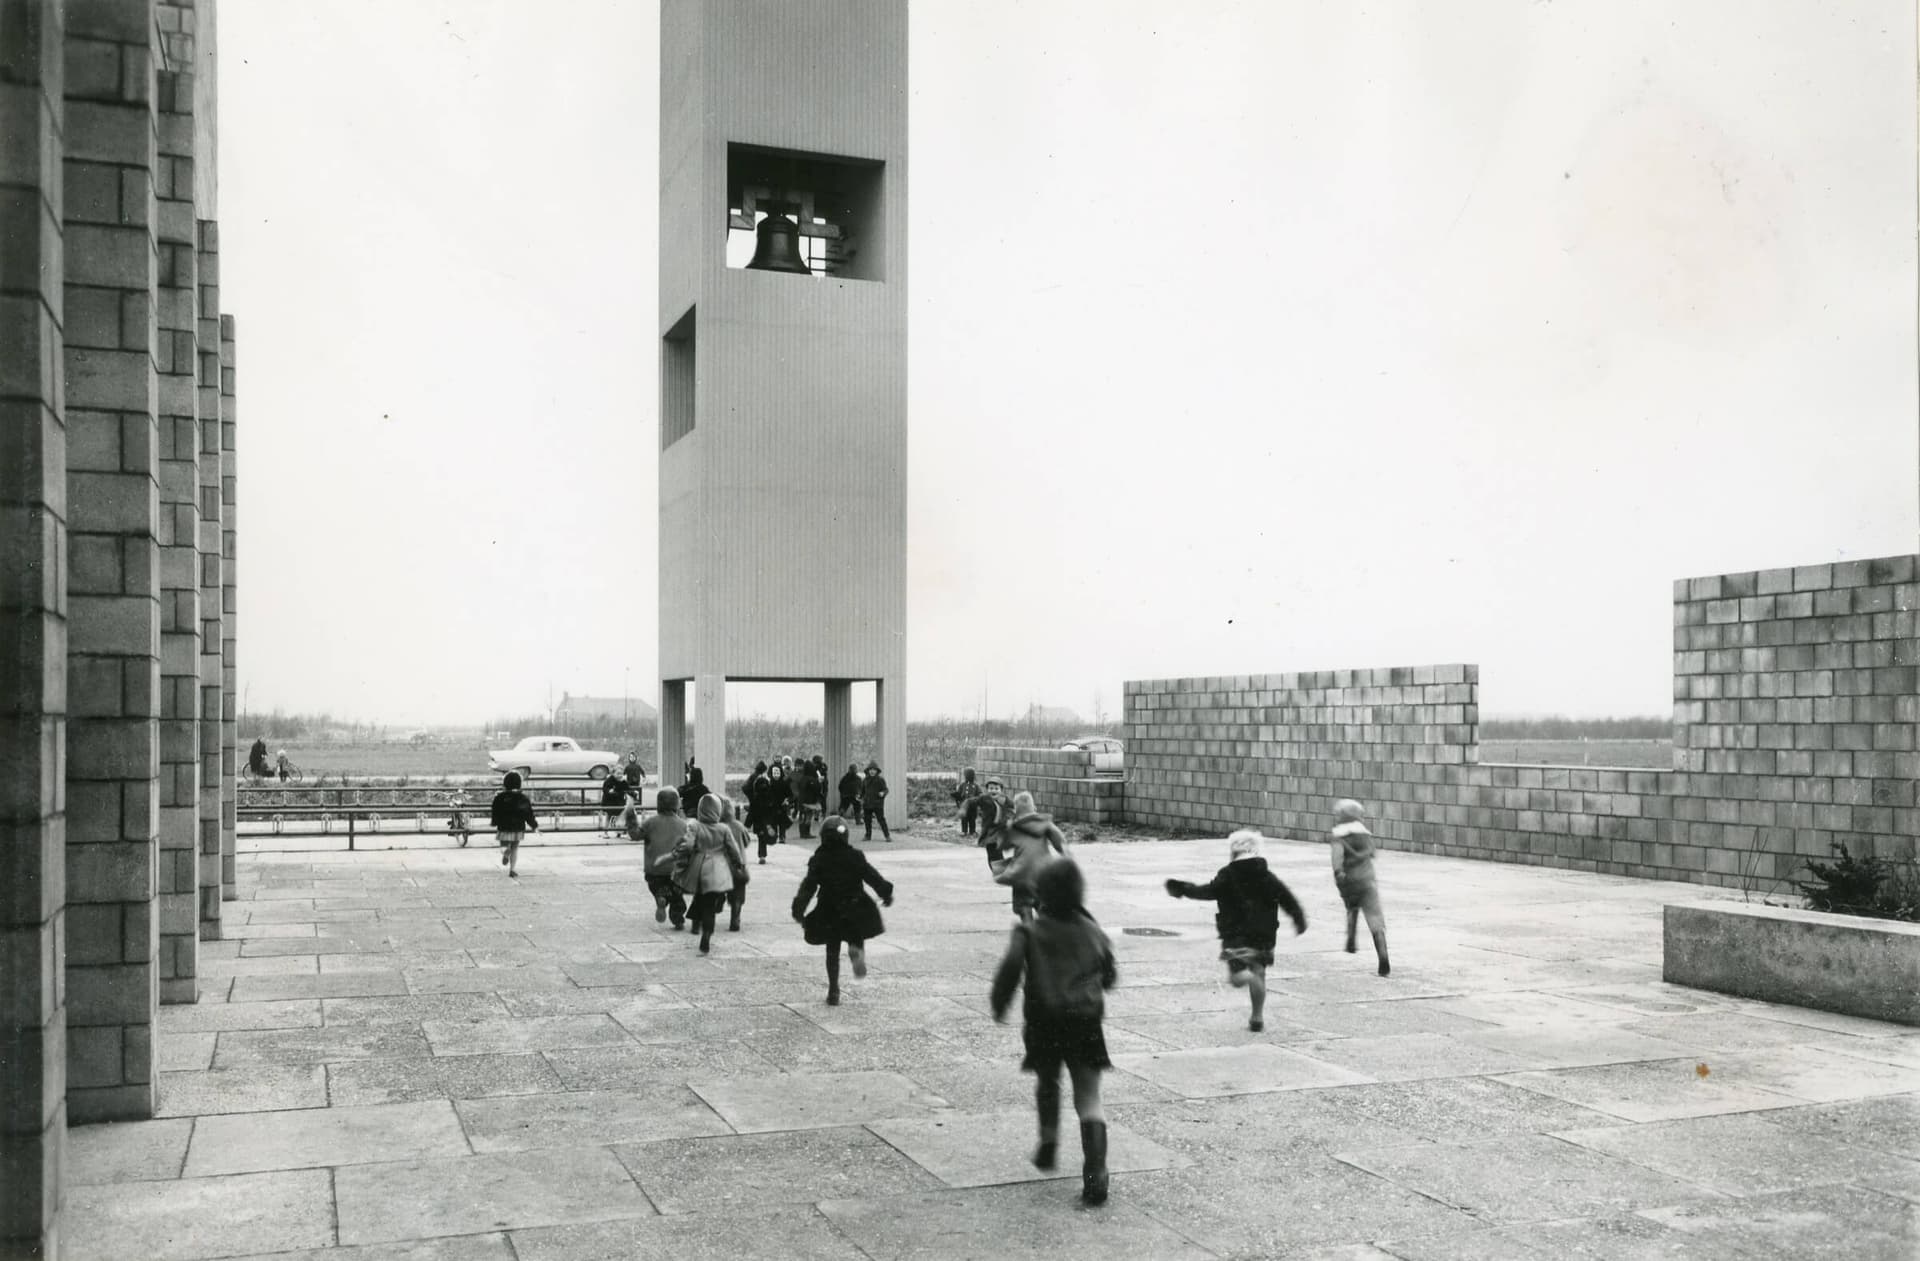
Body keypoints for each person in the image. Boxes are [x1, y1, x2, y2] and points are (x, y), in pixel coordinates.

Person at [990, 860, 1116, 1206]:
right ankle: (1096, 1176)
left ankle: (1048, 1139)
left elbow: (1009, 972)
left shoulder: (1029, 932)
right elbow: (1109, 975)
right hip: (1086, 1022)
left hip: (1045, 1021)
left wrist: (999, 1004)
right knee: (1089, 1098)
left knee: (1048, 1080)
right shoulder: (1093, 930)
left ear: (1040, 894)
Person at [1165, 829, 1307, 1032]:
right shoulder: (1267, 876)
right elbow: (1287, 898)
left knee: (1238, 977)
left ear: (1233, 852)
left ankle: (1248, 978)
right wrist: (1298, 918)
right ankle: (1257, 1016)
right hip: (1263, 935)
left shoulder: (1228, 875)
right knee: (1260, 972)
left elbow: (1207, 891)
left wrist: (1183, 888)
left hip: (1236, 935)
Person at [791, 815, 894, 1006]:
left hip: (829, 908)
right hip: (854, 906)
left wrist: (799, 908)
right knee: (855, 937)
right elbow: (872, 876)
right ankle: (858, 960)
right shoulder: (855, 856)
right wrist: (885, 892)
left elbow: (809, 886)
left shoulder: (819, 859)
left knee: (832, 948)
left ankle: (833, 990)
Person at [667, 794, 745, 953]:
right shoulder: (724, 829)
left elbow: (688, 845)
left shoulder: (695, 825)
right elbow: (733, 849)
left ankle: (696, 922)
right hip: (718, 869)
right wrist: (738, 864)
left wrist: (678, 854)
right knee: (710, 904)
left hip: (699, 866)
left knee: (700, 897)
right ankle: (707, 934)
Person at [1330, 798, 1389, 976]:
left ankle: (1351, 939)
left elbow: (1337, 860)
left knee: (1351, 905)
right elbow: (1373, 853)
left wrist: (1338, 874)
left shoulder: (1338, 836)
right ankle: (1383, 956)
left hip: (1349, 881)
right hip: (1368, 881)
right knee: (1375, 918)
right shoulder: (1365, 835)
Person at [993, 791, 1069, 921]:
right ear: (1034, 808)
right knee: (1043, 903)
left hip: (1022, 874)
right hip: (1044, 872)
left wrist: (1003, 828)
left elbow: (1002, 846)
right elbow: (1059, 840)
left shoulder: (1014, 828)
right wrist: (1065, 854)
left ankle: (1028, 925)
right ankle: (1045, 924)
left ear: (1016, 810)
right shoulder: (1044, 823)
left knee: (1023, 904)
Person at [635, 788, 689, 928]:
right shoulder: (683, 825)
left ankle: (661, 898)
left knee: (658, 887)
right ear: (677, 805)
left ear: (658, 804)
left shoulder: (650, 822)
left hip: (654, 870)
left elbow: (635, 835)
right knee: (677, 897)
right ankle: (678, 919)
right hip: (675, 870)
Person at [489, 771, 539, 878]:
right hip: (518, 828)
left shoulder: (499, 797)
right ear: (519, 784)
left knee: (503, 845)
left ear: (505, 783)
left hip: (504, 827)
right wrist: (534, 826)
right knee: (515, 848)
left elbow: (495, 811)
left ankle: (505, 852)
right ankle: (512, 870)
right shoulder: (523, 798)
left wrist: (494, 822)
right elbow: (528, 814)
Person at [717, 796, 752, 932]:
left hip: (720, 866)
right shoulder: (738, 826)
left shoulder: (716, 827)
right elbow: (747, 841)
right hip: (738, 867)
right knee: (738, 894)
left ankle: (717, 903)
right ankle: (735, 917)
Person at [860, 761, 891, 842]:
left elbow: (886, 790)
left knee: (881, 820)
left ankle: (887, 836)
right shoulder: (865, 780)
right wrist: (860, 797)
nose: (872, 771)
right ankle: (868, 835)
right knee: (867, 820)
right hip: (867, 804)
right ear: (868, 770)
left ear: (877, 771)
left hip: (878, 804)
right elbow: (862, 791)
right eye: (870, 769)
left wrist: (883, 793)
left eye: (874, 770)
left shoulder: (880, 780)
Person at [599, 768, 632, 836]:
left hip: (619, 801)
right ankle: (606, 832)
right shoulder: (608, 781)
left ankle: (619, 831)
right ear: (613, 773)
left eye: (621, 774)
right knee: (608, 816)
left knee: (621, 815)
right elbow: (605, 789)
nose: (620, 775)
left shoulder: (623, 781)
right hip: (609, 802)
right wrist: (609, 791)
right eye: (618, 773)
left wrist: (632, 792)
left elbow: (627, 789)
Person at [952, 768, 982, 835]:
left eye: (967, 775)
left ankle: (972, 831)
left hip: (973, 806)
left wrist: (975, 799)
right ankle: (964, 831)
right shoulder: (962, 785)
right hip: (964, 806)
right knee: (964, 819)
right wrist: (956, 795)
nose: (966, 777)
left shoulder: (976, 785)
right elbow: (959, 793)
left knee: (972, 819)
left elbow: (980, 794)